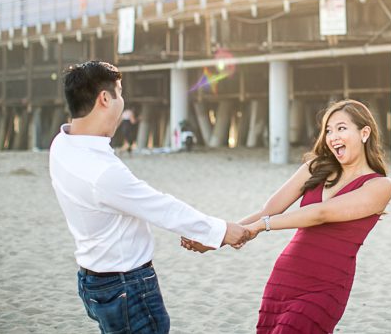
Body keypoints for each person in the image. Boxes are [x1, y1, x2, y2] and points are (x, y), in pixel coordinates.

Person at [50, 60, 251, 333]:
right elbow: (160, 207)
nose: (123, 102)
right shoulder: (102, 172)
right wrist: (220, 230)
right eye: (120, 93)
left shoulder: (61, 144)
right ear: (105, 98)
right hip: (126, 285)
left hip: (92, 280)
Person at [181, 99, 391, 333]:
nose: (333, 136)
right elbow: (268, 210)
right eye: (328, 130)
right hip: (286, 277)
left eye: (341, 128)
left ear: (364, 133)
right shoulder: (316, 168)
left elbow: (320, 214)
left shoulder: (380, 186)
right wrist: (216, 238)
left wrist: (262, 226)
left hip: (326, 286)